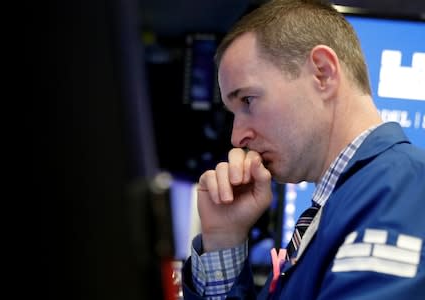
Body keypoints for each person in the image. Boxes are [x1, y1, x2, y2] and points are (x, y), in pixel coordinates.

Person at [180, 0, 425, 299]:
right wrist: (224, 239)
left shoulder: (402, 189)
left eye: (247, 100)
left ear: (322, 73)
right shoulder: (346, 200)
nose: (237, 137)